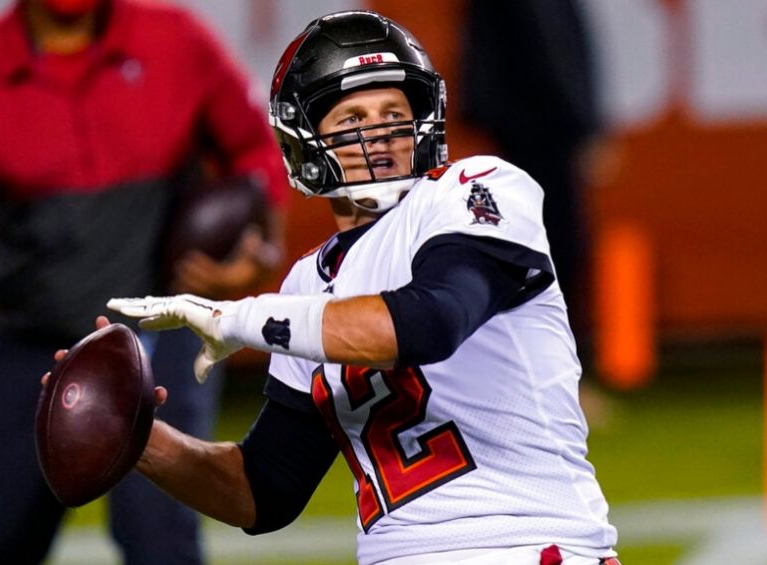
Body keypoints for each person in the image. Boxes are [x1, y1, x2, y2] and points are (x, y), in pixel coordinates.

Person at [99, 10, 620, 564]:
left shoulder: (475, 191)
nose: (380, 135)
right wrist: (133, 435)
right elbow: (264, 487)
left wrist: (237, 319)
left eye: (394, 113)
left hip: (522, 547)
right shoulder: (307, 284)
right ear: (305, 142)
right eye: (352, 121)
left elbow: (430, 322)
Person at [0, 0, 288, 563]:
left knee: (161, 543)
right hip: (30, 347)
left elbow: (256, 151)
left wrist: (260, 252)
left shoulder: (176, 40)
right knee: (1, 542)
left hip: (156, 340)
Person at [460, 0, 602, 345]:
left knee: (533, 254)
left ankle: (544, 369)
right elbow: (552, 50)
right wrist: (582, 125)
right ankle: (558, 372)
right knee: (552, 254)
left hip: (522, 129)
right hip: (539, 132)